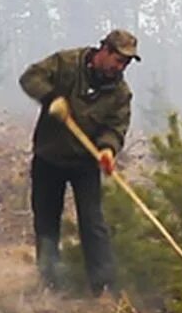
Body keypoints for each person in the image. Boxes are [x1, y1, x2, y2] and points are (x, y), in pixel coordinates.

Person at [18, 29, 138, 295]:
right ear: (104, 51)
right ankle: (51, 284)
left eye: (126, 63)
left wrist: (108, 149)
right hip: (49, 157)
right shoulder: (67, 64)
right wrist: (51, 97)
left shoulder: (120, 93)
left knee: (93, 221)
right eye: (118, 60)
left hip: (85, 163)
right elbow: (30, 78)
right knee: (47, 222)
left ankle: (103, 286)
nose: (121, 67)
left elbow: (116, 127)